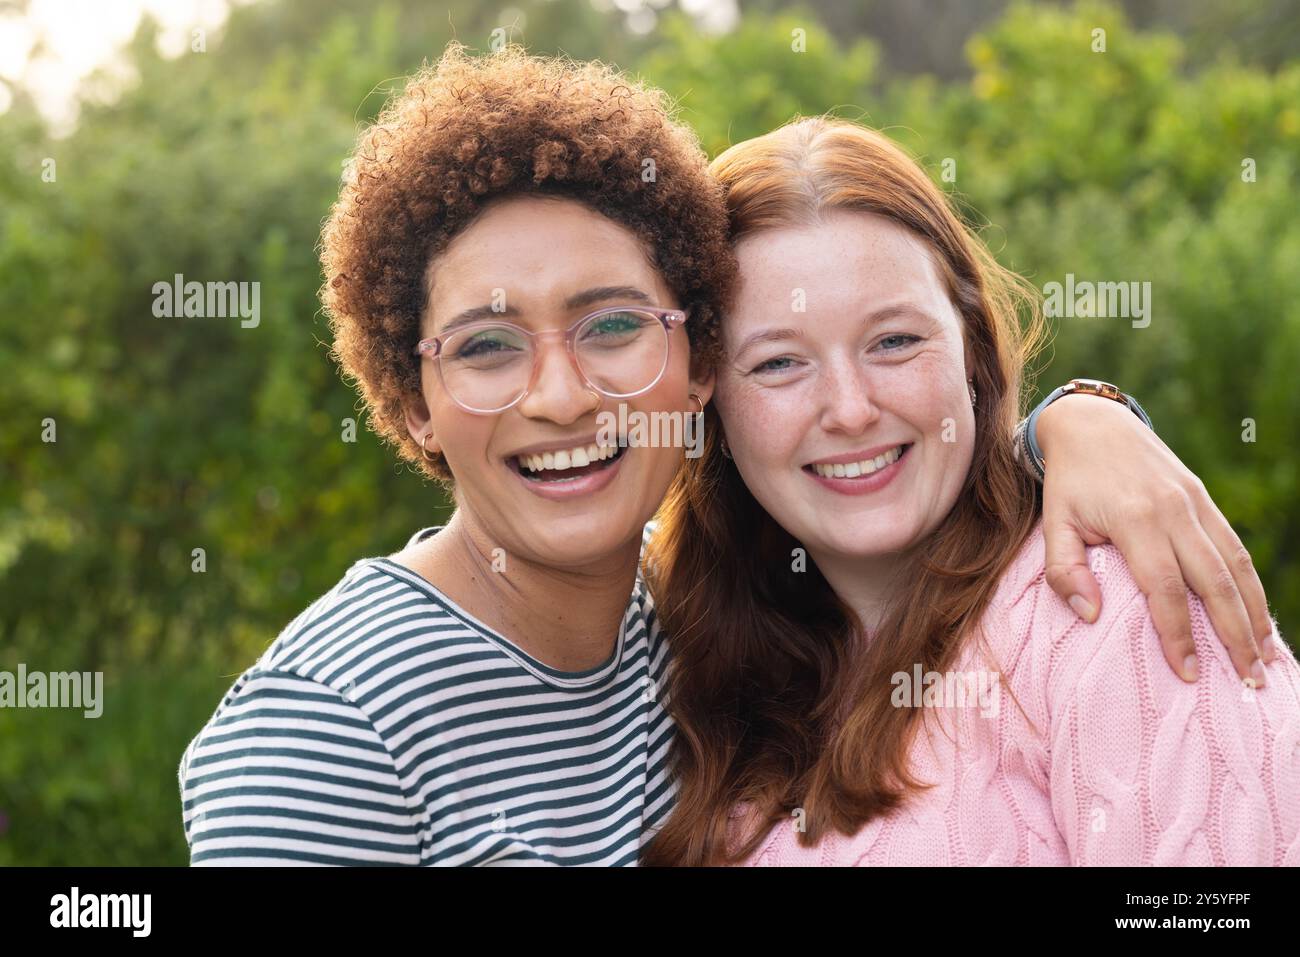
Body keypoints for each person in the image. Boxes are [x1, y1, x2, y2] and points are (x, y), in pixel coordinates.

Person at [179, 47, 1275, 866]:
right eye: (485, 346)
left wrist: (1077, 421)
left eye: (611, 325)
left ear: (688, 368)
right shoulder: (325, 726)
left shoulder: (697, 641)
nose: (560, 396)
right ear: (409, 400)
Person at [640, 117, 1299, 866]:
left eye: (893, 341)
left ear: (972, 351)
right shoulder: (680, 644)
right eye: (779, 363)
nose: (852, 408)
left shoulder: (1111, 604)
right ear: (709, 400)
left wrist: (1080, 409)